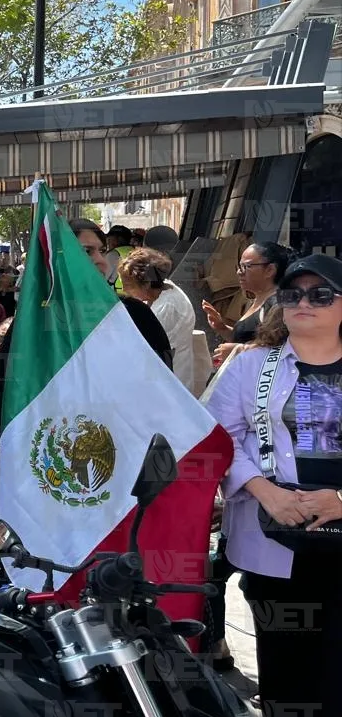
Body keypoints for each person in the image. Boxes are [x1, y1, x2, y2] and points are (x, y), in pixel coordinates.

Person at [204, 254, 342, 717]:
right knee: (287, 679)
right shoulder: (248, 367)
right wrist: (267, 491)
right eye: (292, 293)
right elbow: (218, 439)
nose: (304, 302)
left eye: (321, 293)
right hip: (274, 538)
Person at [0, 219, 173, 426]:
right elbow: (0, 403)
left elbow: (163, 390)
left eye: (102, 250)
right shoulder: (30, 324)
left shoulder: (134, 315)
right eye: (87, 251)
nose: (101, 261)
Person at [118, 248, 197, 388]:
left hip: (169, 379)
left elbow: (143, 346)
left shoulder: (167, 308)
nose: (124, 289)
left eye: (129, 285)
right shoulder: (165, 289)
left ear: (146, 284)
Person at [206, 241, 290, 367]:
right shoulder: (257, 299)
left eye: (247, 266)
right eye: (239, 266)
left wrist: (238, 351)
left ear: (270, 270)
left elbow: (280, 350)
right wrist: (222, 328)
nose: (239, 272)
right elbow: (248, 338)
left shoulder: (277, 306)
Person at [105, 224, 135, 288]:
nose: (108, 241)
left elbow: (101, 279)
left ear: (117, 239)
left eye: (110, 238)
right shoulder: (136, 252)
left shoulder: (113, 254)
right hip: (137, 295)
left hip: (117, 295)